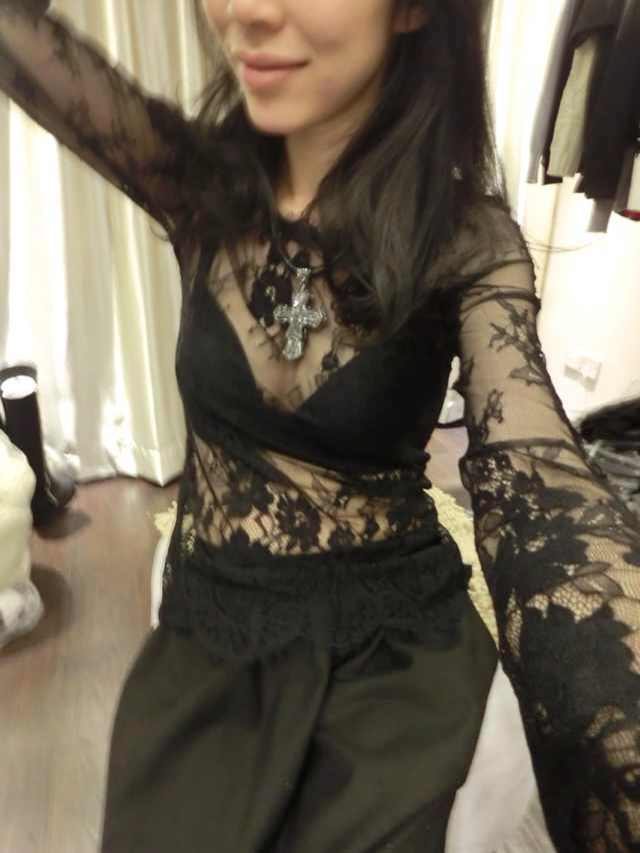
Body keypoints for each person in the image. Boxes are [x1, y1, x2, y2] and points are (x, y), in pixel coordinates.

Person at [2, 1, 640, 850]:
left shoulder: (467, 240)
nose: (246, 12)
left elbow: (540, 482)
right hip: (206, 638)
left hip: (392, 666)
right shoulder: (196, 178)